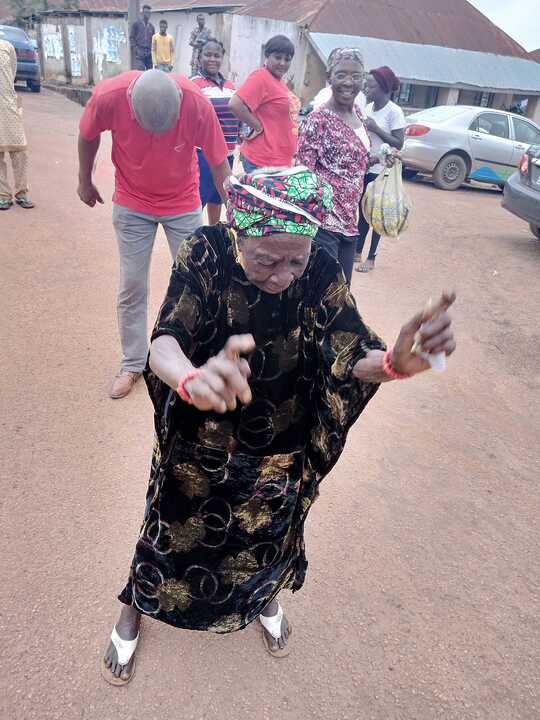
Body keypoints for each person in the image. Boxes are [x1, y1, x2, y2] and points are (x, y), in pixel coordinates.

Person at [100, 166, 456, 685]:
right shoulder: (205, 251)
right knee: (170, 524)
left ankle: (260, 594)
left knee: (268, 530)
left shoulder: (320, 269)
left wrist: (393, 364)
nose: (283, 275)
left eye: (296, 259)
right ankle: (138, 601)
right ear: (239, 235)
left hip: (282, 435)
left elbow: (347, 344)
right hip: (201, 433)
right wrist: (190, 380)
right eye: (266, 260)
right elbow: (165, 339)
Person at [77, 69, 232, 400]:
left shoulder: (196, 104)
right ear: (130, 104)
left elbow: (219, 162)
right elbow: (88, 134)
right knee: (132, 283)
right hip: (132, 202)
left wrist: (235, 208)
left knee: (199, 281)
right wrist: (84, 179)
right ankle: (133, 362)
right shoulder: (108, 96)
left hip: (183, 202)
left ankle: (195, 358)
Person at [298, 48, 370, 285]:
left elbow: (353, 163)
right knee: (323, 294)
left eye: (355, 76)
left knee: (342, 295)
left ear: (363, 78)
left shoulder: (358, 114)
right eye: (341, 75)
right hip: (324, 225)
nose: (348, 82)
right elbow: (303, 176)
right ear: (329, 78)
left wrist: (382, 159)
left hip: (350, 223)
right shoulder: (317, 120)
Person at [356, 66, 406, 273]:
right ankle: (358, 251)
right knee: (362, 212)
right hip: (366, 167)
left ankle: (371, 258)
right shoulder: (367, 108)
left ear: (384, 87)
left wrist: (376, 128)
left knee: (377, 215)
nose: (367, 89)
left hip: (382, 170)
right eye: (366, 84)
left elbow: (399, 142)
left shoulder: (394, 112)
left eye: (371, 85)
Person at [229, 35, 300, 173]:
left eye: (287, 59)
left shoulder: (278, 81)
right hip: (263, 160)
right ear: (267, 56)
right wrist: (258, 126)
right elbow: (235, 104)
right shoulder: (261, 77)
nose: (282, 63)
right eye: (278, 57)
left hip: (279, 160)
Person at [191, 38, 240, 224]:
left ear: (222, 59)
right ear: (199, 57)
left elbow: (235, 112)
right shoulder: (194, 84)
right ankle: (192, 239)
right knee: (199, 197)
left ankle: (213, 232)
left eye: (217, 55)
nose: (212, 59)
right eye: (208, 54)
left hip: (227, 153)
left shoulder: (229, 86)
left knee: (218, 196)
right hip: (203, 154)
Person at [0, 40, 34, 210]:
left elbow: (12, 72)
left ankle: (22, 192)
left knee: (20, 151)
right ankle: (3, 195)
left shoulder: (6, 47)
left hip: (8, 104)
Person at [130, 4, 155, 71]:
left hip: (149, 53)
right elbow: (132, 38)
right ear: (142, 13)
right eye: (146, 12)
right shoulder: (136, 24)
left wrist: (152, 52)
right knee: (140, 71)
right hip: (140, 52)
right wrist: (136, 49)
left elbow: (153, 40)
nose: (148, 14)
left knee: (149, 72)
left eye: (149, 13)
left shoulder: (152, 27)